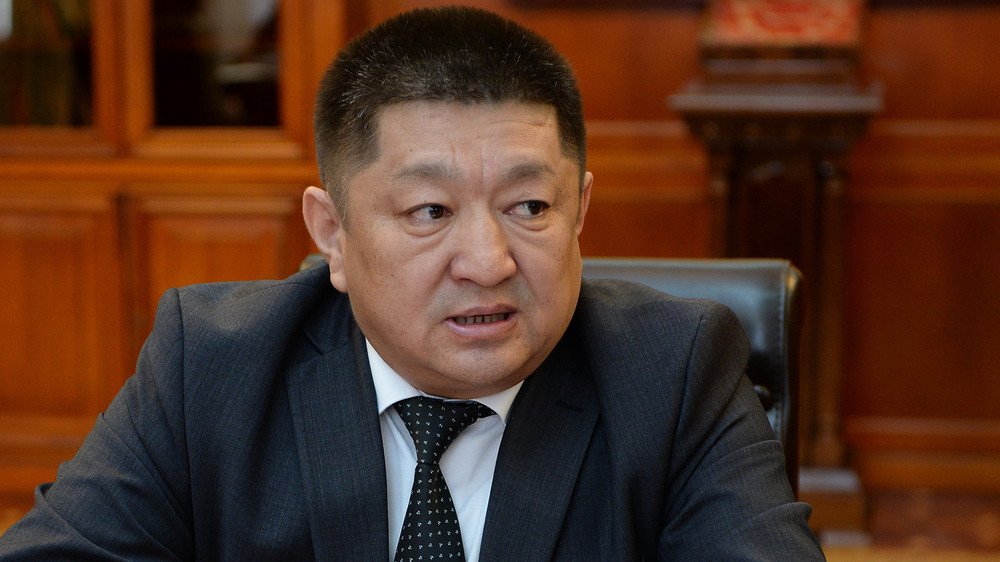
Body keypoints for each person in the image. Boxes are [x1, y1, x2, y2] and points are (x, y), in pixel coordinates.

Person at [0, 6, 823, 561]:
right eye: (430, 211)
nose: (488, 262)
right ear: (333, 234)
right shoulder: (209, 365)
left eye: (530, 206)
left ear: (580, 211)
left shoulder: (674, 372)